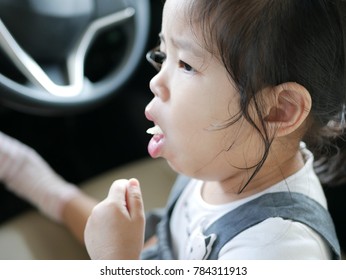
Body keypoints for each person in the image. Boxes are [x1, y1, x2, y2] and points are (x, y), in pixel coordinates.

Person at [1, 0, 346, 259]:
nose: (155, 81)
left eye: (186, 64)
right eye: (162, 53)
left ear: (278, 110)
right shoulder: (228, 157)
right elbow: (163, 248)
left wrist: (116, 264)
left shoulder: (279, 252)